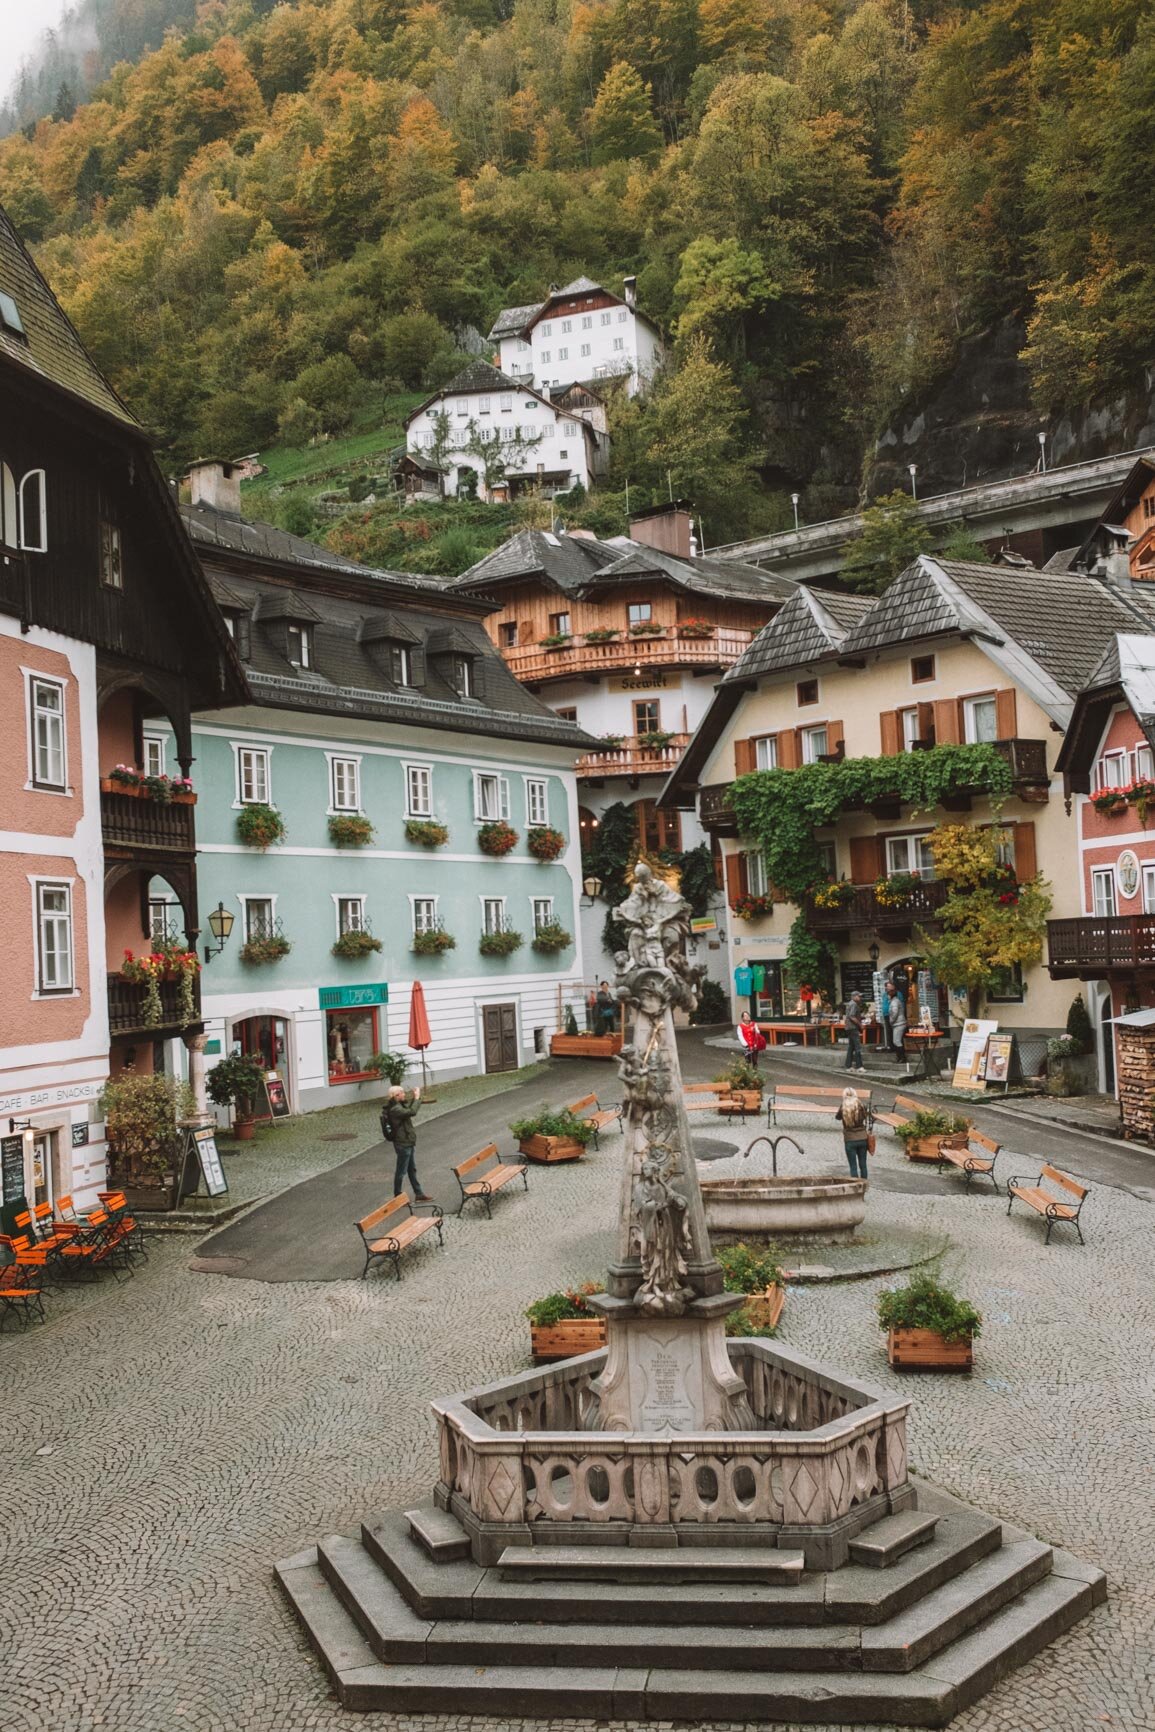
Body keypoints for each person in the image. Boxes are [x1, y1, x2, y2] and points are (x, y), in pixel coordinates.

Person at [381, 1085, 431, 1202]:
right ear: (396, 1095)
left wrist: (415, 1098)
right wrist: (417, 1097)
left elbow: (408, 1110)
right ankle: (397, 1196)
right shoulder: (395, 1109)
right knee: (401, 1171)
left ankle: (419, 1194)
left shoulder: (398, 1106)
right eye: (402, 1093)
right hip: (403, 1144)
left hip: (407, 1141)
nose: (404, 1094)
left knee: (411, 1169)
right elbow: (412, 1111)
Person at [836, 1088, 870, 1180]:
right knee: (863, 1164)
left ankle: (855, 1186)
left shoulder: (843, 1106)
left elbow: (837, 1117)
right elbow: (865, 1116)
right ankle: (864, 1184)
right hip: (862, 1138)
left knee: (853, 1166)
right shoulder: (860, 1105)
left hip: (850, 1139)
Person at [843, 991, 865, 1071]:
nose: (860, 998)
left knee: (851, 1047)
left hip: (849, 1027)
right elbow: (852, 1016)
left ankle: (848, 1066)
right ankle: (859, 1066)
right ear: (854, 996)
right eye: (859, 996)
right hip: (853, 1028)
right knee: (857, 1047)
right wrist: (860, 1025)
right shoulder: (854, 1004)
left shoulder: (850, 1003)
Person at [888, 978, 908, 1064]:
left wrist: (891, 1021)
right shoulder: (895, 1001)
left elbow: (895, 1012)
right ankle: (899, 1057)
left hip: (898, 1023)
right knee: (897, 1040)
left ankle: (902, 1058)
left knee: (896, 1041)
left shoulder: (895, 1001)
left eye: (888, 992)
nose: (887, 994)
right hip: (899, 1023)